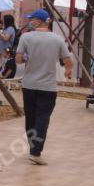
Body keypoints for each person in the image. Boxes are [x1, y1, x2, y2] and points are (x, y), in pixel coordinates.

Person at [15, 9, 72, 165]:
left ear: (39, 21)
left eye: (31, 19)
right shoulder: (58, 39)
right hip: (48, 87)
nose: (30, 22)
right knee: (42, 118)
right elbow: (68, 61)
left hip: (28, 85)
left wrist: (26, 57)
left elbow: (18, 60)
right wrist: (68, 71)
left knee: (31, 118)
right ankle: (35, 152)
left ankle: (33, 148)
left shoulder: (25, 37)